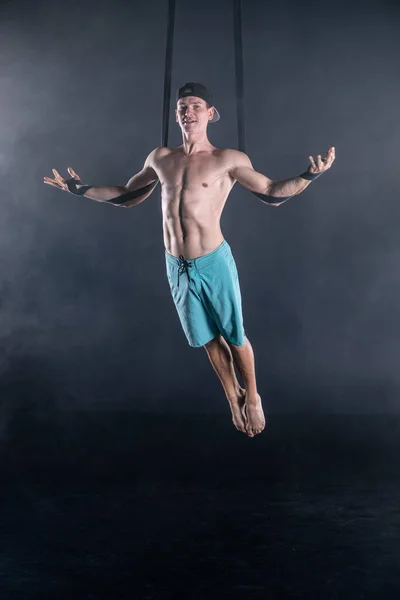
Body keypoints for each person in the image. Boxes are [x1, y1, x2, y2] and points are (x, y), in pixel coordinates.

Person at [44, 82, 335, 437]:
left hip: (212, 260)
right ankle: (232, 398)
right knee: (207, 339)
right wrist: (81, 189)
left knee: (234, 335)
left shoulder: (227, 160)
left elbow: (272, 193)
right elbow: (127, 196)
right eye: (183, 106)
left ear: (210, 114)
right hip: (176, 264)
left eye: (196, 105)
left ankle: (254, 397)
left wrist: (309, 176)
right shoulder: (160, 158)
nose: (188, 111)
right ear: (177, 114)